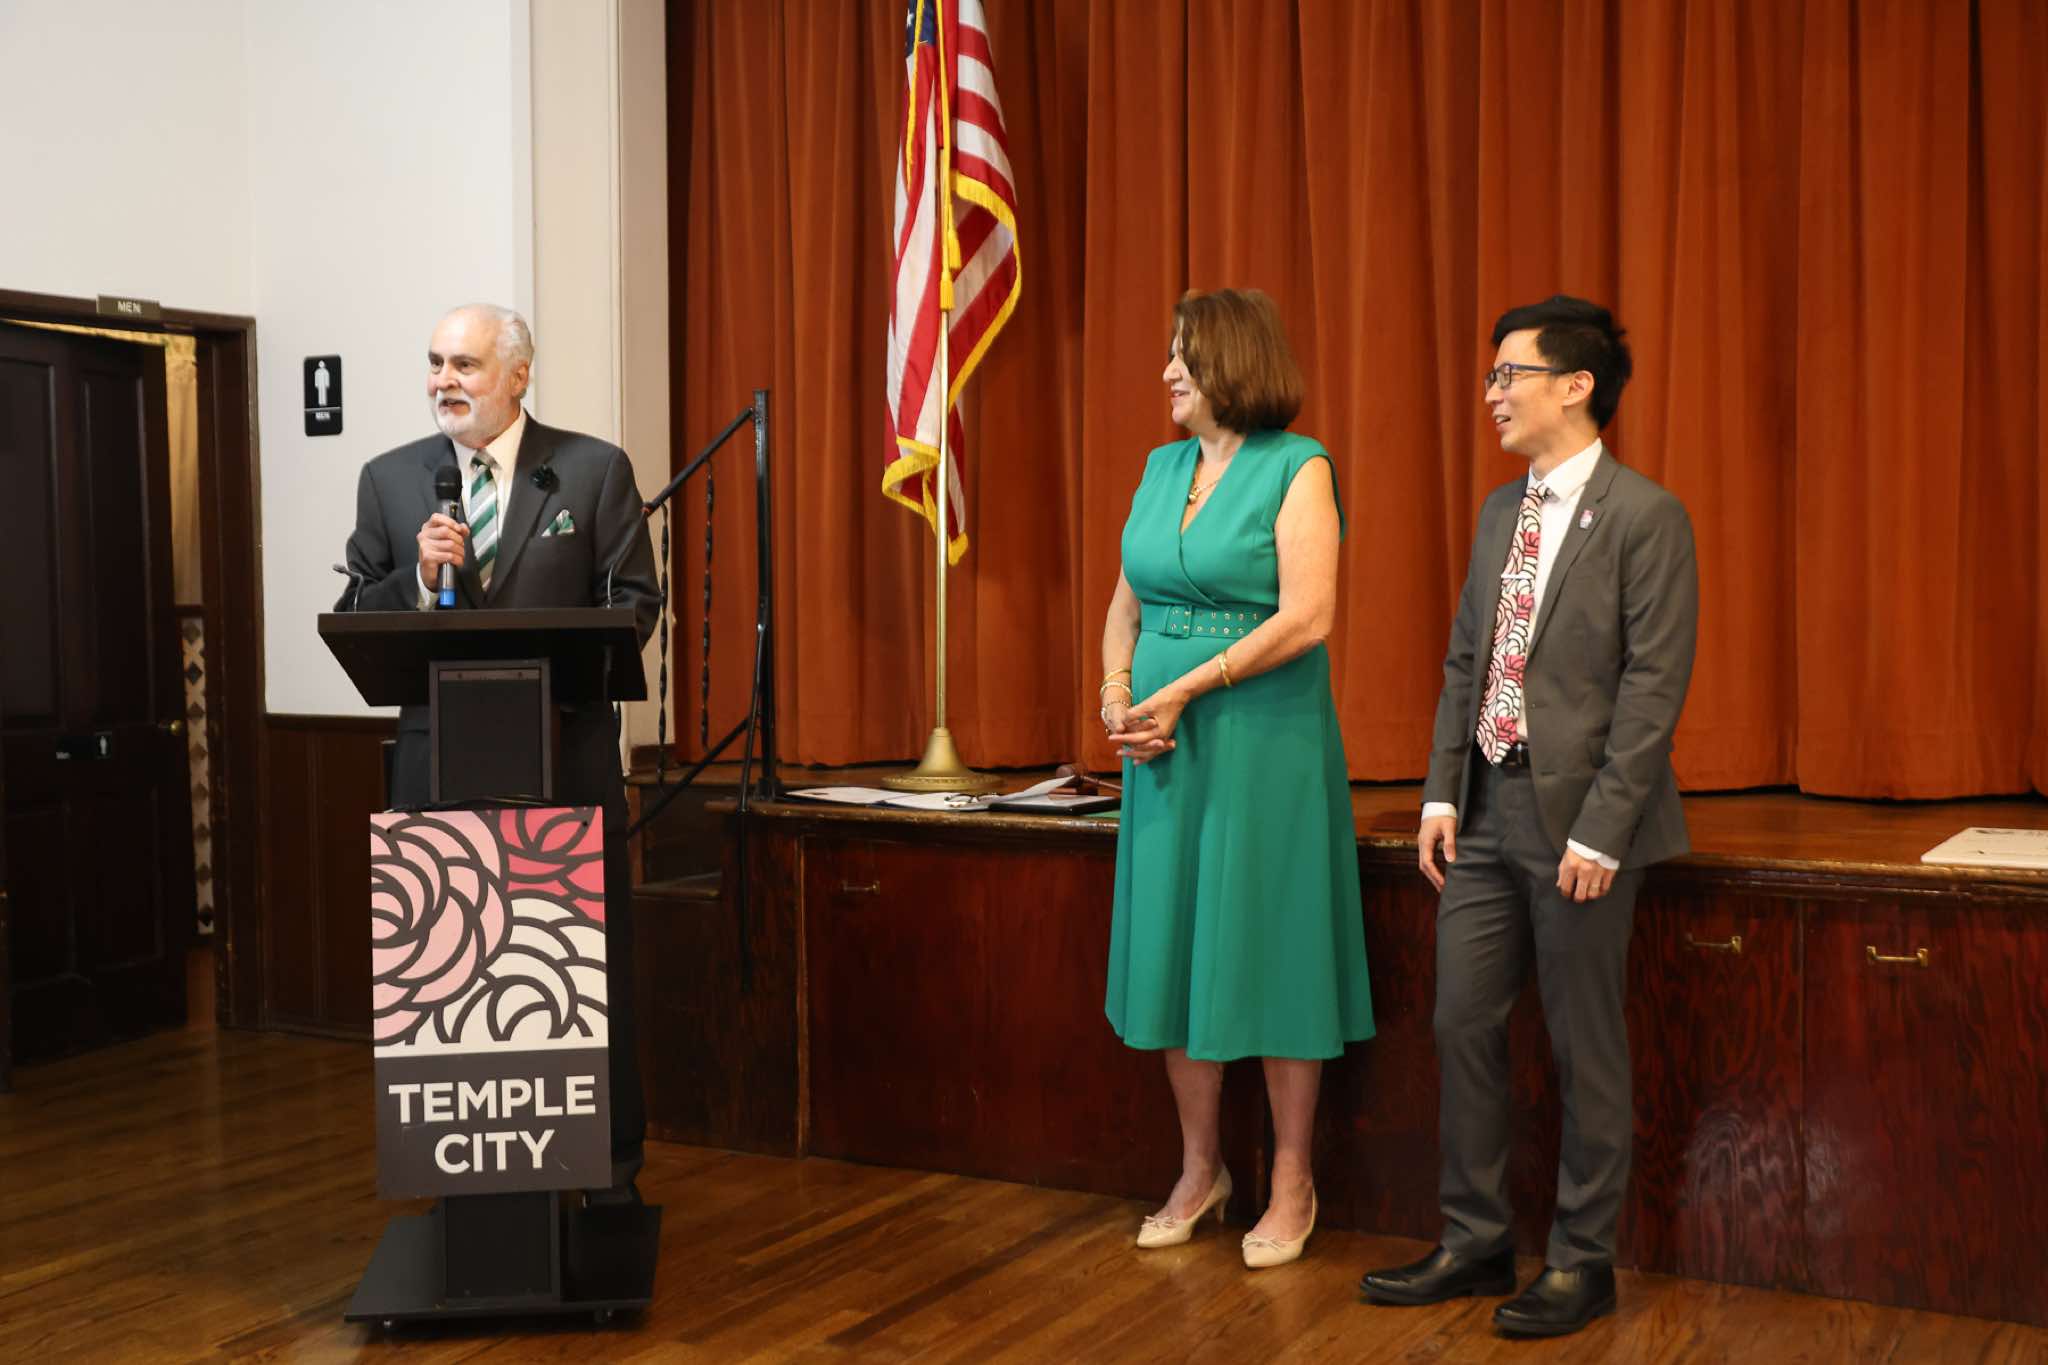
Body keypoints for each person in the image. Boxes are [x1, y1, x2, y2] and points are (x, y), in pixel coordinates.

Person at [1359, 296, 1698, 1336]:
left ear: (1576, 385)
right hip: (1484, 812)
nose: (1493, 394)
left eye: (1511, 374)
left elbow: (1652, 687)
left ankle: (1581, 1261)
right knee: (1460, 1021)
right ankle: (1475, 1240)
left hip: (1581, 824)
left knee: (1583, 1043)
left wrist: (1602, 828)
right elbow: (1468, 658)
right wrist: (1439, 790)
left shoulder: (1645, 516)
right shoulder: (1498, 512)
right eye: (1492, 376)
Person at [337, 302, 660, 1197]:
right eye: (435, 362)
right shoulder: (389, 479)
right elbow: (358, 610)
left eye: (466, 365)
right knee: (453, 966)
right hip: (437, 772)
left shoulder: (592, 469)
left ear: (518, 375)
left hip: (566, 765)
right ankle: (464, 1180)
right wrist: (419, 578)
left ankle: (607, 1174)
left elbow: (634, 604)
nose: (444, 380)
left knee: (585, 969)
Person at [1101, 288, 1375, 1270]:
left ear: (1234, 362)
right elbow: (1125, 606)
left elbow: (1309, 615)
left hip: (1265, 742)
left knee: (1271, 942)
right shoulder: (1159, 467)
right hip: (1163, 748)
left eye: (1185, 355)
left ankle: (1292, 1175)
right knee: (1174, 944)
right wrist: (1116, 691)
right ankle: (1199, 1169)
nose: (1168, 372)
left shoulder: (1298, 466)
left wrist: (1186, 688)